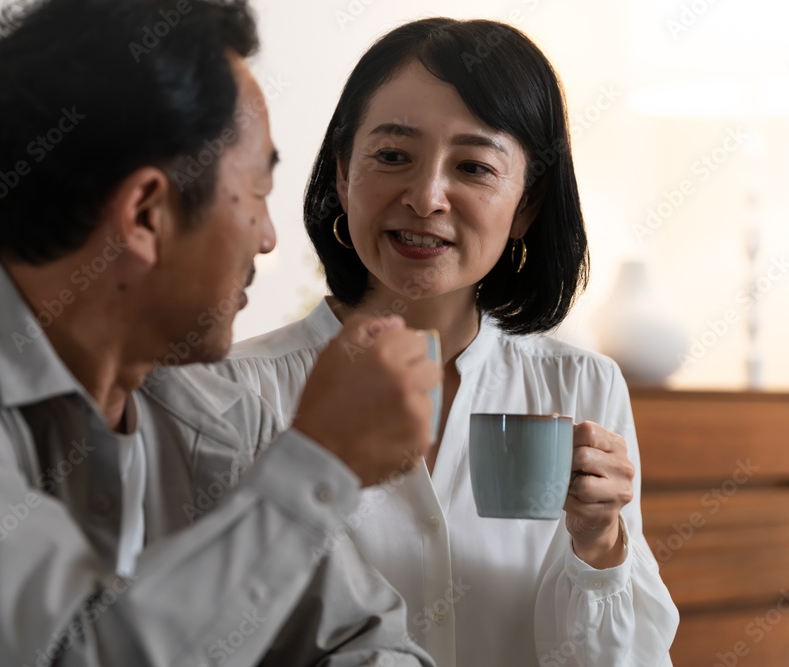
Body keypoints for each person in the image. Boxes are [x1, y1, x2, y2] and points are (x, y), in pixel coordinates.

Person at [0, 1, 438, 665]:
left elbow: (368, 644)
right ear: (145, 214)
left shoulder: (215, 412)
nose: (269, 238)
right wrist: (321, 465)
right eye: (258, 191)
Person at [205, 18, 680, 666]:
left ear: (527, 204)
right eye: (392, 156)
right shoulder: (231, 391)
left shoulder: (581, 388)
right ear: (342, 174)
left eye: (474, 166)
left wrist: (598, 542)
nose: (427, 197)